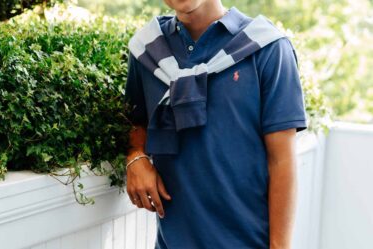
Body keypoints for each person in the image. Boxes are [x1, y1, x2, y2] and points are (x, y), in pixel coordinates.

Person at [124, 0, 308, 248]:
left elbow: (282, 160)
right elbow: (135, 122)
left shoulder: (267, 48)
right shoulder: (147, 51)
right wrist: (136, 156)